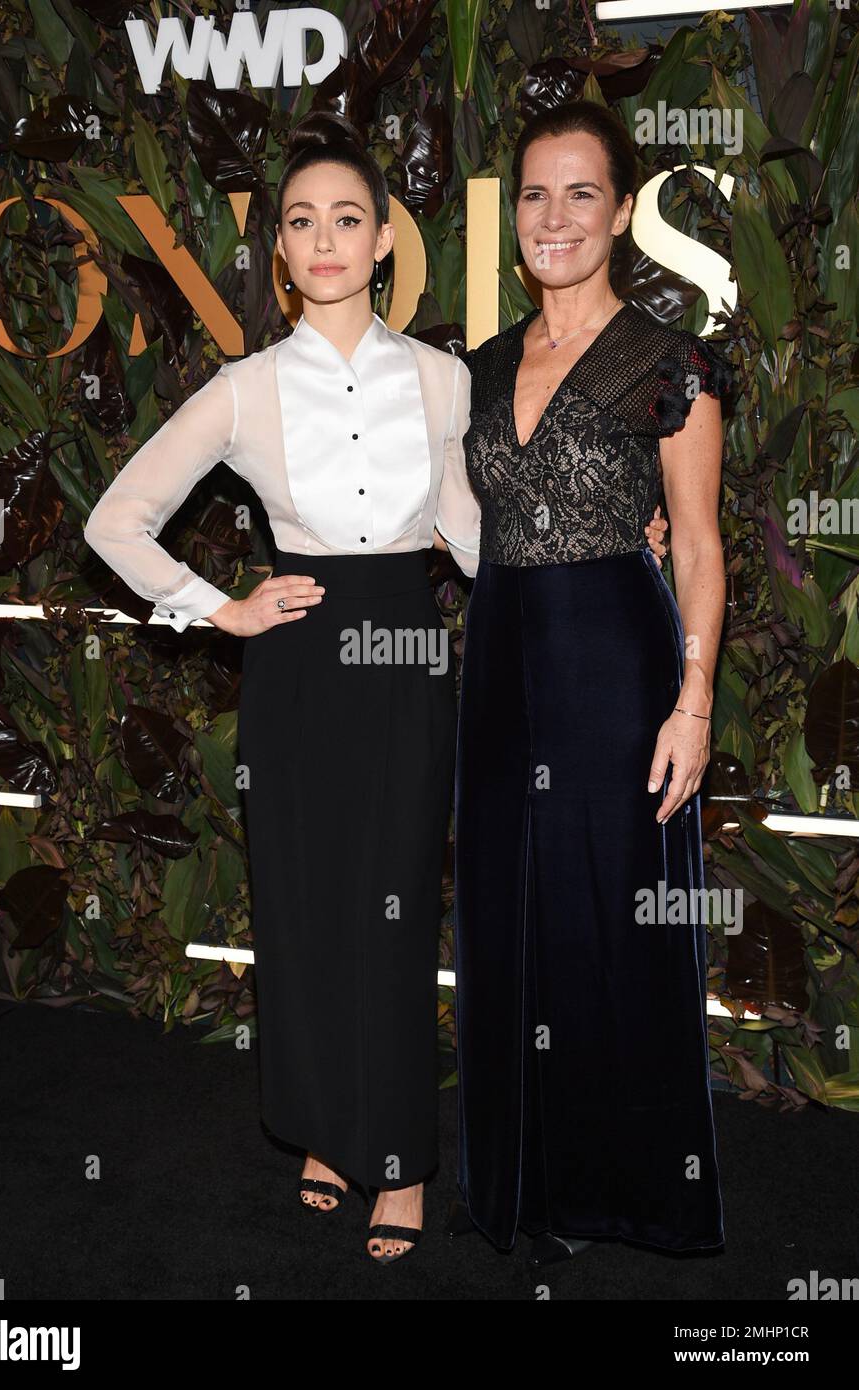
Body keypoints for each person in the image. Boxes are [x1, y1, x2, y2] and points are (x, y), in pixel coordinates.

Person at [84, 110, 669, 1265]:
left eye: (347, 217)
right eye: (301, 223)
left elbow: (471, 531)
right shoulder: (244, 389)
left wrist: (612, 547)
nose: (325, 239)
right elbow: (117, 519)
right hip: (297, 666)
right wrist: (222, 606)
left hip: (406, 657)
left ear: (383, 240)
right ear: (283, 253)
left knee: (397, 913)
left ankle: (397, 1158)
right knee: (304, 916)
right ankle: (322, 1130)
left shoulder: (446, 381)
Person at [449, 100, 734, 1266]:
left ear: (621, 212)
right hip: (502, 649)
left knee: (610, 917)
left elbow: (703, 544)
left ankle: (632, 1191)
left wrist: (694, 698)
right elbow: (459, 521)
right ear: (511, 213)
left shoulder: (672, 362)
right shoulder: (478, 367)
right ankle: (531, 1185)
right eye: (533, 193)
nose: (553, 216)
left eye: (580, 193)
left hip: (618, 659)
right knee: (511, 918)